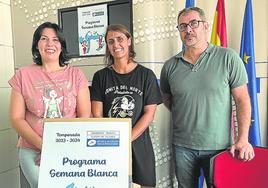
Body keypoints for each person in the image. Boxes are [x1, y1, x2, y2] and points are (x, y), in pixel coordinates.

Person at [160, 7, 255, 188]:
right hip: (183, 147)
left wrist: (243, 139)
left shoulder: (228, 58)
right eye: (182, 26)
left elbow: (242, 100)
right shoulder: (170, 66)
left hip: (220, 147)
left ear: (205, 26)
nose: (188, 30)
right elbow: (168, 99)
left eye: (193, 24)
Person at [9, 22, 91, 188]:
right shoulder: (23, 75)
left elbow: (84, 116)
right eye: (44, 39)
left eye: (55, 39)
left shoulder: (76, 75)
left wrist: (62, 146)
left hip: (69, 150)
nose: (50, 44)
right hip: (33, 151)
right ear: (36, 45)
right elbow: (16, 118)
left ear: (61, 46)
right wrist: (44, 146)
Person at [91, 24, 162, 188]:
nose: (116, 45)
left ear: (129, 41)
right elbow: (97, 114)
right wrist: (114, 142)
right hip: (109, 146)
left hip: (140, 146)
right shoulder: (100, 77)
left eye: (120, 39)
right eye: (110, 41)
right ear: (107, 47)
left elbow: (149, 114)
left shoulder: (146, 75)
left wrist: (126, 139)